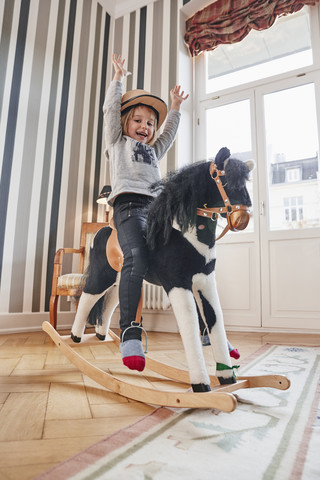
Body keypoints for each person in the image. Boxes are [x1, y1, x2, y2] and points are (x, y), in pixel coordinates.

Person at [103, 54, 188, 373]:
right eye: (138, 120)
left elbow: (168, 136)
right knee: (136, 257)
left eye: (150, 123)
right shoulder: (117, 141)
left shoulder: (153, 150)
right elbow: (111, 110)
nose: (145, 126)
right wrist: (117, 80)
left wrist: (175, 107)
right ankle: (130, 332)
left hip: (156, 212)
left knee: (184, 254)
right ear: (127, 123)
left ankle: (206, 327)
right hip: (127, 207)